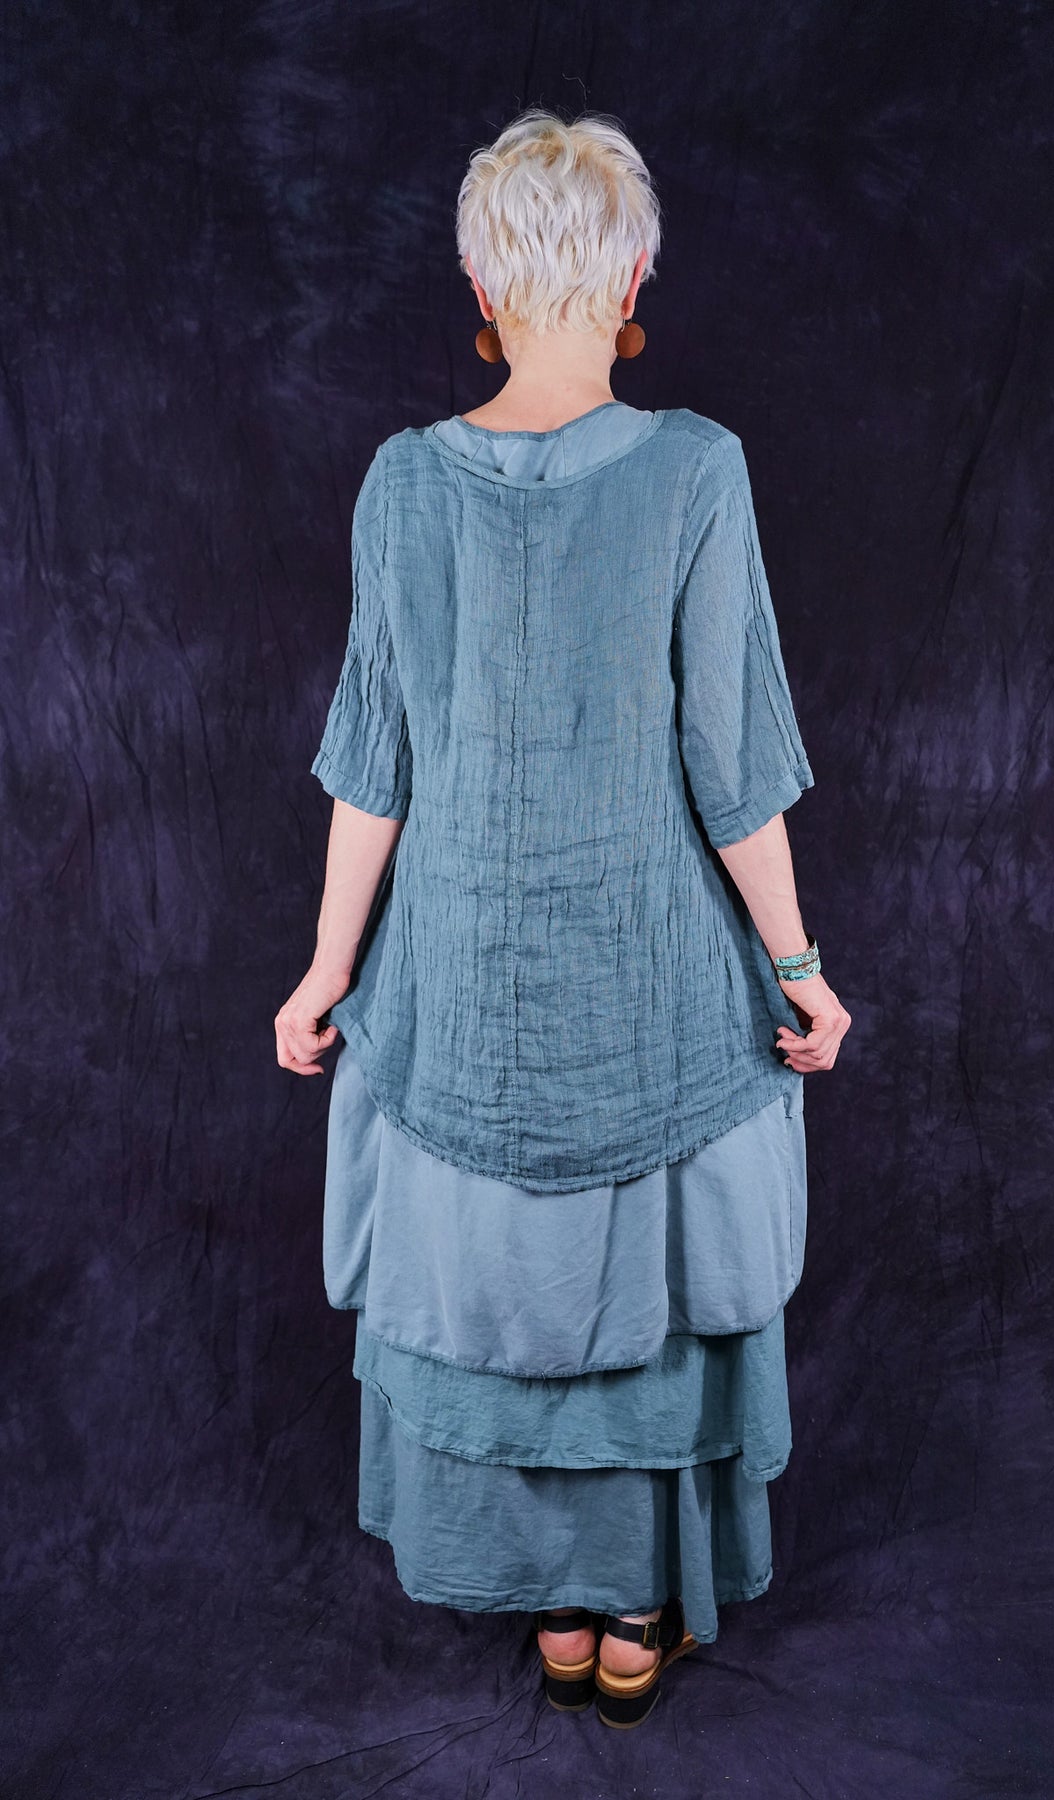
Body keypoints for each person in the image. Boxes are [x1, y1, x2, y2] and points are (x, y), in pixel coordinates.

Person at [275, 106, 851, 1730]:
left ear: (479, 279)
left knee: (493, 1284)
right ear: (634, 278)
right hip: (651, 990)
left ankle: (547, 1594)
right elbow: (733, 768)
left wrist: (323, 974)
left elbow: (372, 767)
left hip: (456, 992)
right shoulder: (696, 469)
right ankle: (630, 1600)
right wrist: (801, 969)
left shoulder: (403, 483)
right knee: (646, 1294)